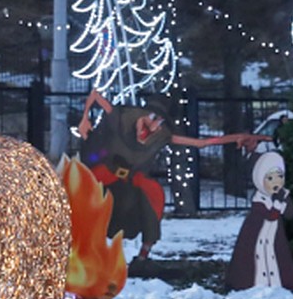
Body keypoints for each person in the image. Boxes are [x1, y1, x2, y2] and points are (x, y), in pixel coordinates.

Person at [75, 89, 264, 266]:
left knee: (152, 196)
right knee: (88, 201)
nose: (153, 125)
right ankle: (83, 248)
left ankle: (143, 256)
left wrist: (239, 137)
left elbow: (202, 143)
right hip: (104, 173)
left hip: (130, 180)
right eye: (151, 118)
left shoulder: (161, 137)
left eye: (159, 122)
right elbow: (95, 95)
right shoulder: (122, 117)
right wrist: (84, 118)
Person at [224, 151, 293, 291]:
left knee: (275, 254)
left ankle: (277, 282)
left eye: (280, 176)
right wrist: (278, 206)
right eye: (270, 178)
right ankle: (252, 282)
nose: (276, 182)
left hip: (273, 236)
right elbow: (269, 215)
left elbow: (289, 214)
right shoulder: (259, 200)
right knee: (255, 256)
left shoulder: (282, 196)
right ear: (260, 179)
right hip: (258, 237)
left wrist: (283, 201)